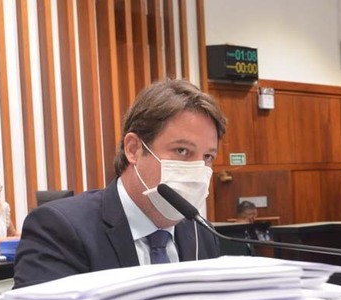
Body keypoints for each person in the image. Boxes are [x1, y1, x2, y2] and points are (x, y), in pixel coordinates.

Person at [13, 79, 227, 288]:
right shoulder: (59, 228)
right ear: (133, 149)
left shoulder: (202, 234)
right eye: (182, 150)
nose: (198, 168)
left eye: (208, 156)